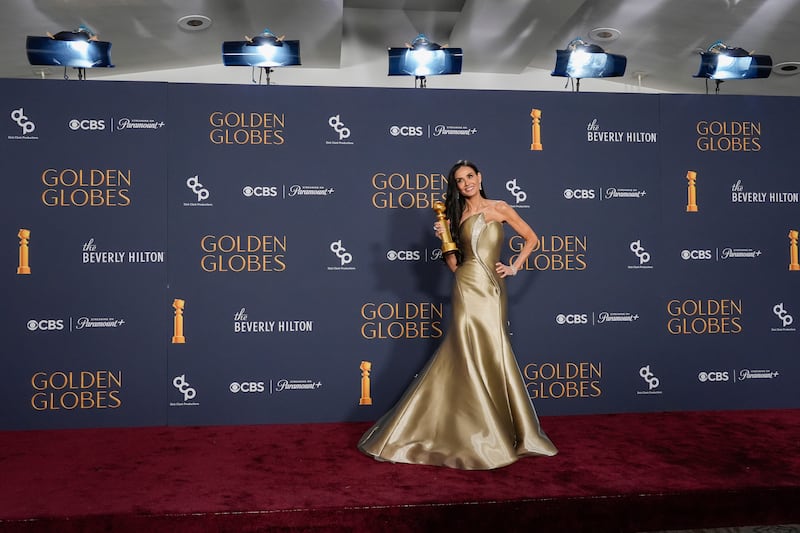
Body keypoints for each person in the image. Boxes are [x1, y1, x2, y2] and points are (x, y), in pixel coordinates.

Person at [357, 160, 557, 470]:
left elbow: (532, 237)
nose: (466, 183)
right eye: (459, 181)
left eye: (469, 177)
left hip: (491, 289)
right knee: (463, 348)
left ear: (480, 177)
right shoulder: (455, 216)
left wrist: (515, 265)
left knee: (493, 348)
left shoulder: (500, 208)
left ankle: (500, 429)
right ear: (456, 187)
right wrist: (445, 239)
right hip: (465, 286)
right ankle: (470, 429)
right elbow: (455, 267)